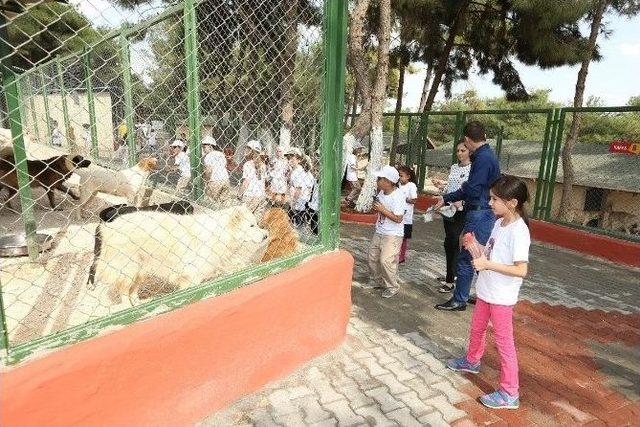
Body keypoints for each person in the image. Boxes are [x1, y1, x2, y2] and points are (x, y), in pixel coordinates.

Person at [446, 175, 531, 410]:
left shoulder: (519, 231)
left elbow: (521, 270)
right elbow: (490, 253)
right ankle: (472, 360)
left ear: (512, 202)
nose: (490, 203)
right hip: (486, 290)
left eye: (495, 199)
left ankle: (509, 393)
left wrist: (487, 265)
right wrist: (475, 247)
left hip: (502, 298)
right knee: (476, 329)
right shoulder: (499, 222)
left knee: (504, 344)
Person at [433, 121, 500, 311]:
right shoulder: (486, 156)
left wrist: (451, 196)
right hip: (481, 212)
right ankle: (482, 295)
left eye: (465, 145)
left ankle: (459, 300)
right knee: (477, 255)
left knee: (467, 257)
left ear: (468, 140)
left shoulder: (483, 158)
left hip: (479, 213)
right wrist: (447, 197)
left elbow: (473, 188)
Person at [433, 139, 472, 293]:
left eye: (463, 150)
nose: (459, 154)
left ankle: (450, 281)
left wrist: (461, 201)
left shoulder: (473, 169)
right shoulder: (454, 167)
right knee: (449, 242)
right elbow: (452, 187)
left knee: (453, 241)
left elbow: (471, 190)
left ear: (469, 151)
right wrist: (442, 189)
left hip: (462, 210)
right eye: (457, 151)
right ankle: (451, 274)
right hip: (448, 209)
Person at [361, 165, 406, 298]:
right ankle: (376, 281)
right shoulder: (382, 192)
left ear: (388, 181)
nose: (377, 180)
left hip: (393, 234)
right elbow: (381, 210)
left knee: (386, 260)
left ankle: (392, 286)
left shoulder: (398, 196)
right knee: (372, 257)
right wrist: (378, 209)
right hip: (380, 230)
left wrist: (382, 210)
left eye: (380, 178)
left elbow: (398, 218)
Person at [286, 147, 313, 227]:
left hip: (298, 203)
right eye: (288, 158)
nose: (289, 160)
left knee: (296, 226)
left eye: (292, 158)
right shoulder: (301, 170)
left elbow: (298, 189)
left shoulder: (297, 172)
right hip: (303, 202)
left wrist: (293, 204)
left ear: (299, 159)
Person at [397, 166, 418, 264]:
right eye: (399, 175)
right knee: (397, 236)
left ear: (408, 176)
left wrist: (404, 199)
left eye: (401, 176)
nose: (399, 178)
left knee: (404, 238)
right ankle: (396, 254)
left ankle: (402, 256)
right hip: (398, 215)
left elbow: (414, 200)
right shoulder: (398, 185)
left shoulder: (411, 186)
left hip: (406, 218)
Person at [202, 136, 230, 202]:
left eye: (204, 147)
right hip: (225, 180)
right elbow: (224, 165)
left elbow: (209, 170)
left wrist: (206, 181)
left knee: (210, 201)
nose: (203, 149)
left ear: (210, 146)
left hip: (215, 181)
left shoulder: (209, 156)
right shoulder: (221, 154)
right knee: (224, 202)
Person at [241, 140, 266, 213]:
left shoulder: (247, 164)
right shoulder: (263, 165)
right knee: (256, 221)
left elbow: (246, 182)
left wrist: (239, 194)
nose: (245, 150)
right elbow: (263, 182)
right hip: (261, 196)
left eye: (247, 148)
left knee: (246, 220)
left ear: (251, 151)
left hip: (250, 196)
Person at [344, 142, 364, 207]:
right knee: (358, 189)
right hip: (352, 177)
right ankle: (348, 198)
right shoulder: (352, 157)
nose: (361, 150)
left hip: (353, 176)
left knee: (356, 189)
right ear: (356, 149)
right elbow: (352, 166)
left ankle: (350, 201)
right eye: (360, 149)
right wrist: (360, 169)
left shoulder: (354, 156)